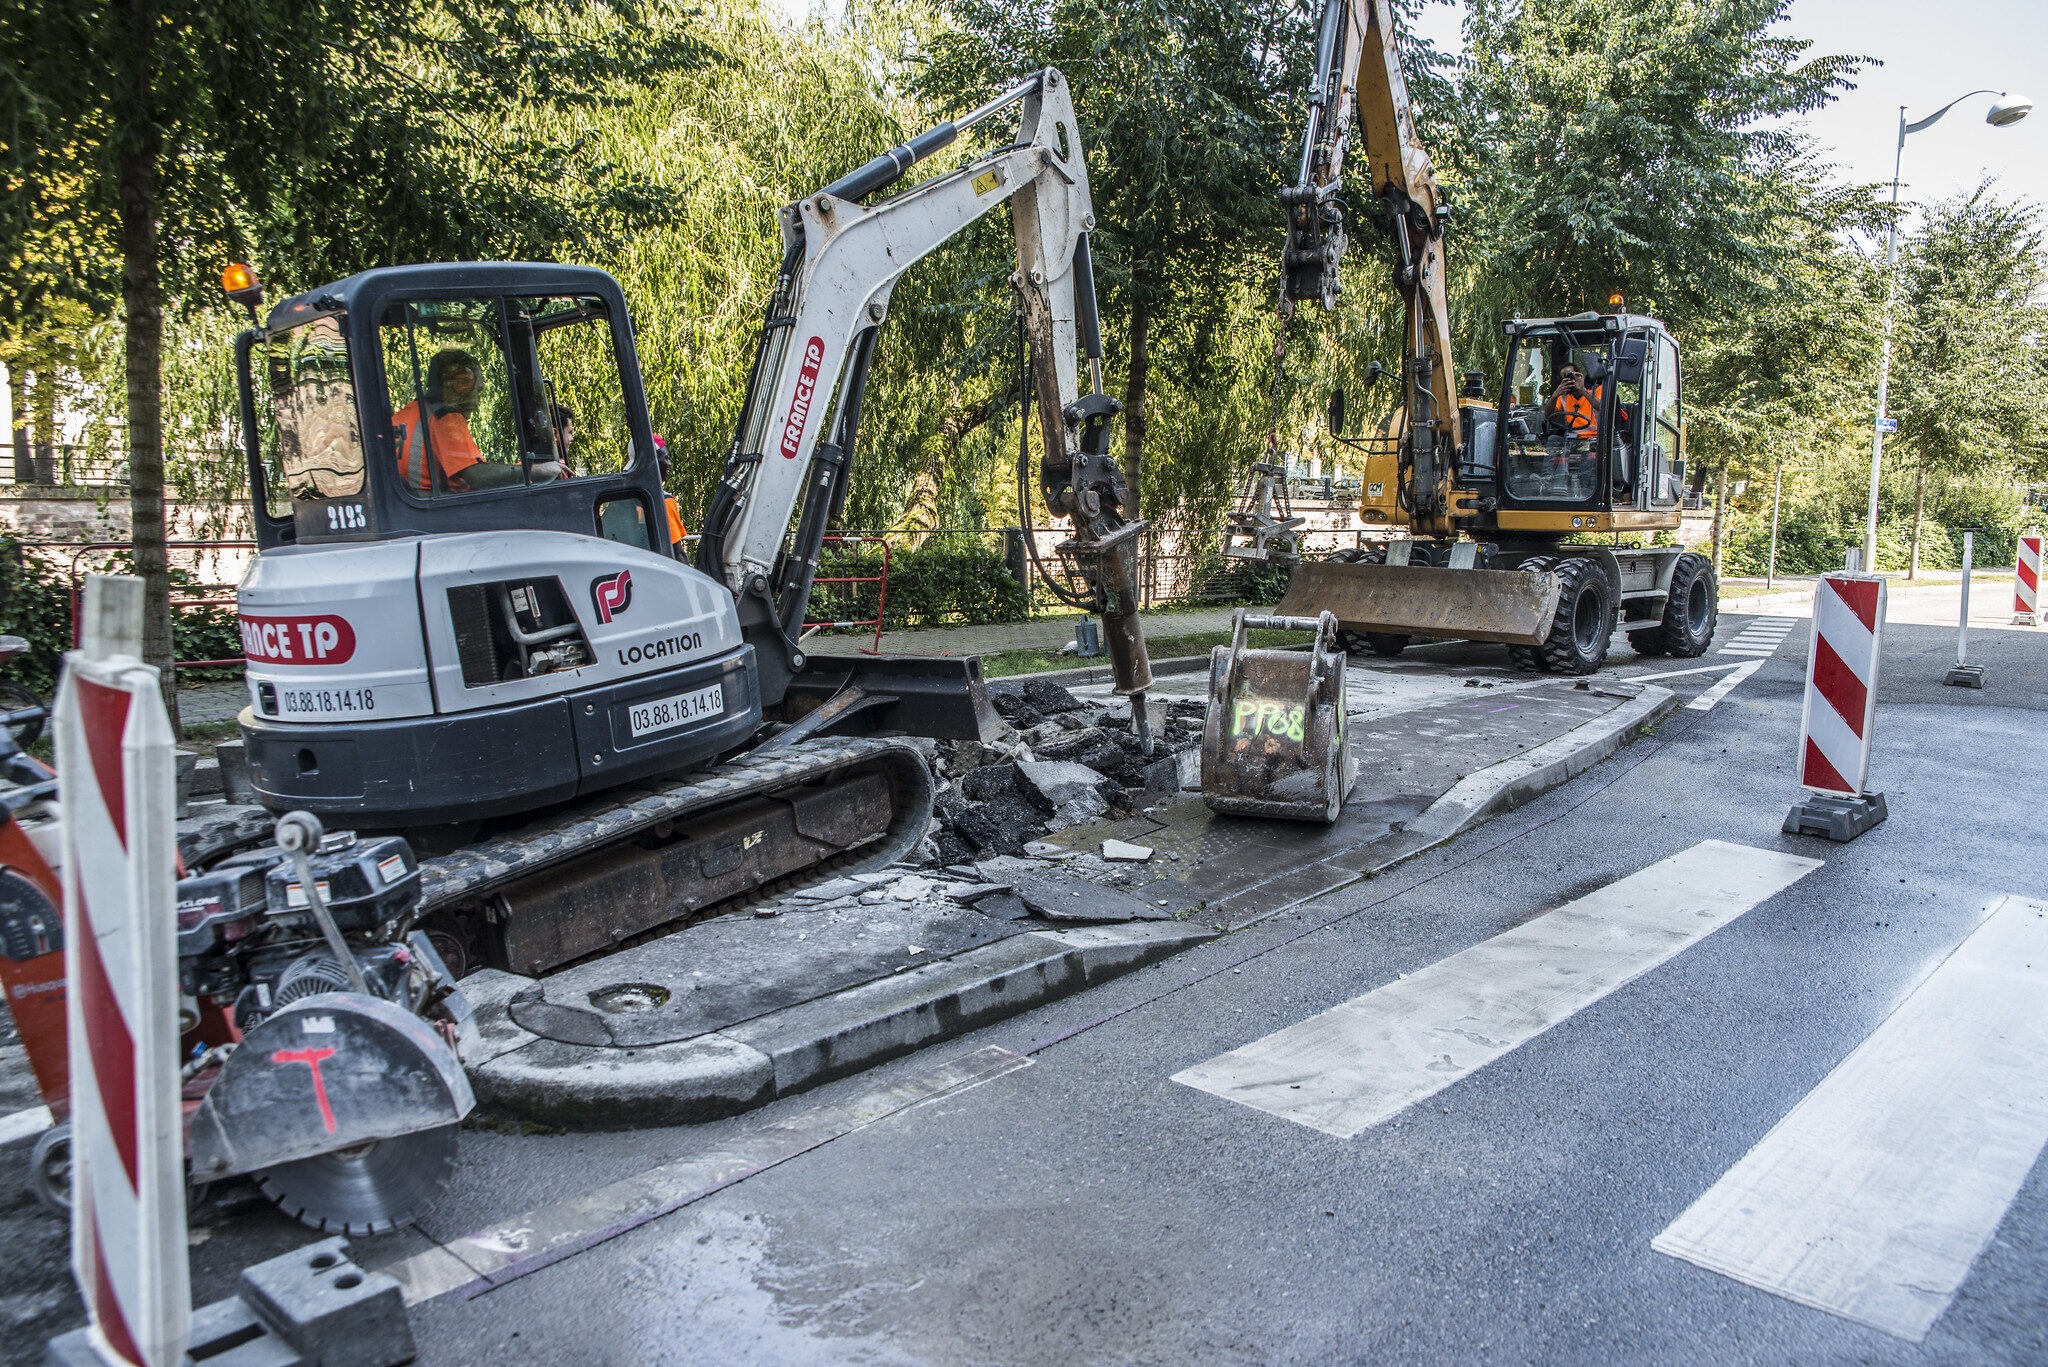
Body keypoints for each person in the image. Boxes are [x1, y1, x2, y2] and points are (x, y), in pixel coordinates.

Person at [391, 349, 516, 493]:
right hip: (441, 510)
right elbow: (478, 476)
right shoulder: (444, 418)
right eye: (475, 389)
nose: (476, 402)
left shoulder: (401, 416)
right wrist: (530, 471)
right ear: (458, 383)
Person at [1547, 362, 1602, 439]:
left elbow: (1601, 408)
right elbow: (1549, 415)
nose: (1570, 380)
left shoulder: (1597, 390)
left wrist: (1582, 390)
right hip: (1573, 439)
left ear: (1579, 376)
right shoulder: (1563, 397)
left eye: (1571, 376)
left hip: (1596, 438)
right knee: (1552, 439)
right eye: (1565, 377)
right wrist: (1554, 396)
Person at [654, 435, 687, 548]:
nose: (669, 464)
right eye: (665, 458)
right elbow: (677, 552)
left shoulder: (620, 500)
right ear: (652, 462)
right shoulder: (664, 501)